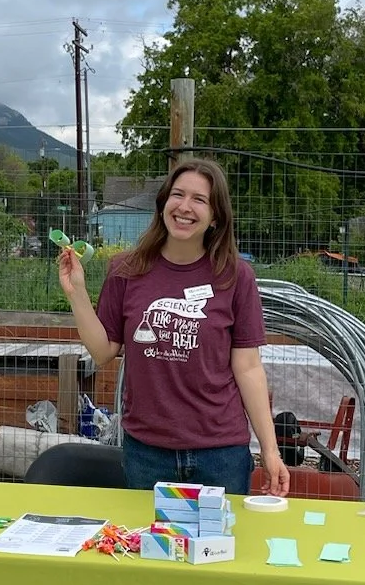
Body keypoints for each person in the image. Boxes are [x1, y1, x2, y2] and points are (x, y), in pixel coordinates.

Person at [58, 158, 289, 495]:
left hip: (221, 454)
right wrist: (77, 293)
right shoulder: (127, 269)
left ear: (215, 217)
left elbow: (249, 367)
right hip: (147, 453)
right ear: (163, 203)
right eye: (177, 195)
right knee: (150, 547)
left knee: (217, 548)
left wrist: (270, 450)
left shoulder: (235, 276)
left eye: (199, 199)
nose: (185, 207)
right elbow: (102, 350)